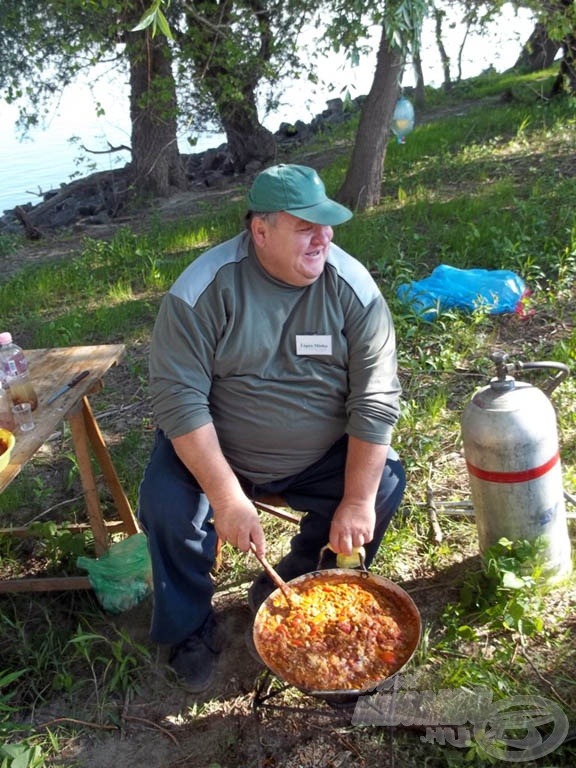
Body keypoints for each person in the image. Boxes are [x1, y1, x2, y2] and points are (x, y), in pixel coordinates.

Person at [137, 163, 406, 693]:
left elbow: (375, 401)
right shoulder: (201, 290)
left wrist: (356, 501)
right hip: (221, 450)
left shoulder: (352, 290)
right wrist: (226, 495)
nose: (323, 237)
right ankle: (189, 627)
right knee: (164, 503)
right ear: (260, 232)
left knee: (383, 486)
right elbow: (179, 400)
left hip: (315, 455)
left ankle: (290, 583)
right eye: (305, 226)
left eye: (326, 224)